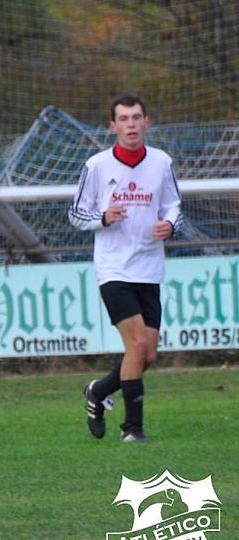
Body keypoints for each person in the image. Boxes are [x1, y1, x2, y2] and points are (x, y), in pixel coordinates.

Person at [69, 94, 182, 443]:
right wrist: (103, 217)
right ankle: (132, 430)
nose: (131, 124)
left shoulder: (162, 162)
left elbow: (174, 206)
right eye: (123, 119)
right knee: (136, 343)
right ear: (112, 126)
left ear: (146, 122)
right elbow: (76, 215)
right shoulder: (97, 166)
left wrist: (169, 224)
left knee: (148, 353)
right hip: (114, 268)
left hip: (149, 266)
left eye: (136, 117)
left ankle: (98, 391)